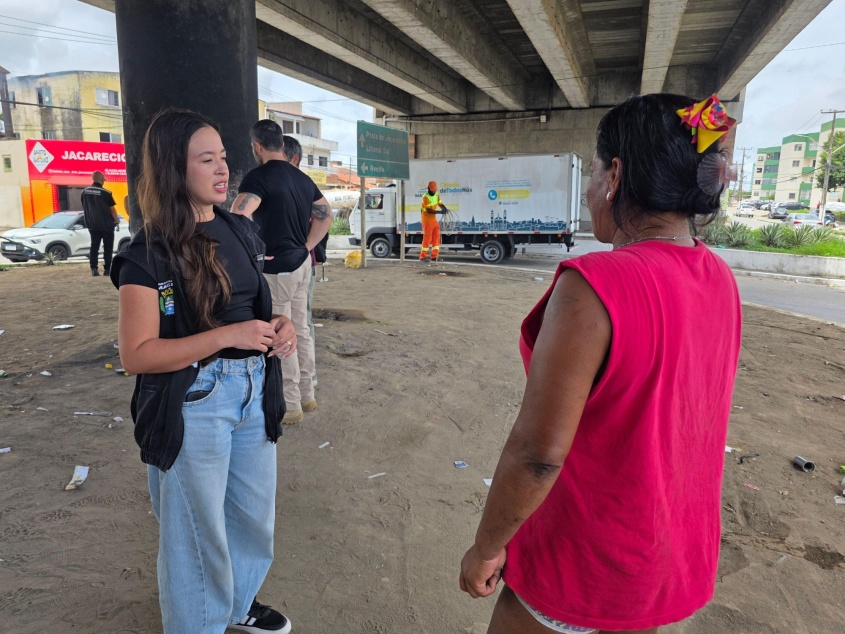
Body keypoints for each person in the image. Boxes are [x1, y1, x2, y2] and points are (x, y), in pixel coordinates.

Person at [459, 94, 742, 634]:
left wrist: (485, 548)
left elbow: (538, 454)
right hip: (656, 561)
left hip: (583, 563)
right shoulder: (719, 280)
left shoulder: (594, 284)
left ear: (615, 174)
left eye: (592, 172)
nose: (590, 191)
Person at [110, 109, 297, 634]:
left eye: (223, 158)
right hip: (196, 400)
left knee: (252, 520)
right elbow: (137, 355)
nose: (222, 170)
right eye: (206, 159)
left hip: (254, 391)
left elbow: (248, 311)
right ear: (174, 168)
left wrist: (277, 325)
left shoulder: (238, 229)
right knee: (197, 535)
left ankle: (236, 605)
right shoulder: (147, 254)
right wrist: (226, 339)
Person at [232, 120, 333, 424]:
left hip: (276, 269)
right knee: (300, 329)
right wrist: (305, 246)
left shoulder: (258, 177)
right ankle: (307, 395)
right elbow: (325, 215)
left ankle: (290, 407)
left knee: (280, 333)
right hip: (301, 265)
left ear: (257, 146)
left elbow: (239, 216)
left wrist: (251, 252)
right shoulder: (301, 179)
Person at [281, 134, 330, 388]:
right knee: (294, 323)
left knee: (297, 323)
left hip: (300, 264)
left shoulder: (300, 185)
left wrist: (305, 249)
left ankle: (304, 382)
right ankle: (303, 383)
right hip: (294, 264)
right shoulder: (292, 183)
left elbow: (325, 217)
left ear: (293, 158)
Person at [81, 170, 119, 276]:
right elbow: (112, 210)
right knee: (108, 248)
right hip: (106, 225)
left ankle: (94, 269)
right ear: (102, 180)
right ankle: (107, 270)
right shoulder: (106, 193)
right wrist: (117, 221)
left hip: (92, 225)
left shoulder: (84, 192)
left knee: (94, 246)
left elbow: (85, 207)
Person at [420, 181, 448, 262]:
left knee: (436, 237)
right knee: (427, 238)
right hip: (427, 220)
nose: (433, 192)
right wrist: (439, 212)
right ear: (428, 189)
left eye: (434, 190)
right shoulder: (425, 197)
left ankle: (434, 256)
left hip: (433, 220)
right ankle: (422, 256)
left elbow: (440, 203)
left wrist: (444, 208)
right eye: (432, 190)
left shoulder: (436, 194)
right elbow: (428, 210)